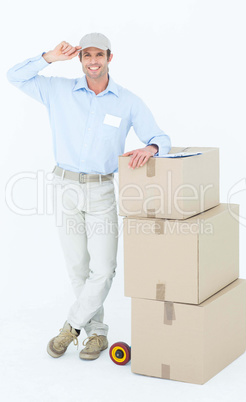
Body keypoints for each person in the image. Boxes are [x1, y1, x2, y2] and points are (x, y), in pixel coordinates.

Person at [7, 32, 171, 361]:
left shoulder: (127, 101)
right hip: (63, 186)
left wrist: (150, 148)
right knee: (78, 267)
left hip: (101, 191)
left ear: (110, 58)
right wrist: (50, 57)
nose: (93, 61)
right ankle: (97, 334)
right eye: (87, 55)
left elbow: (160, 137)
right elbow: (14, 75)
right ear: (80, 59)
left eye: (99, 55)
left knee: (104, 268)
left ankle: (71, 328)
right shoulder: (58, 90)